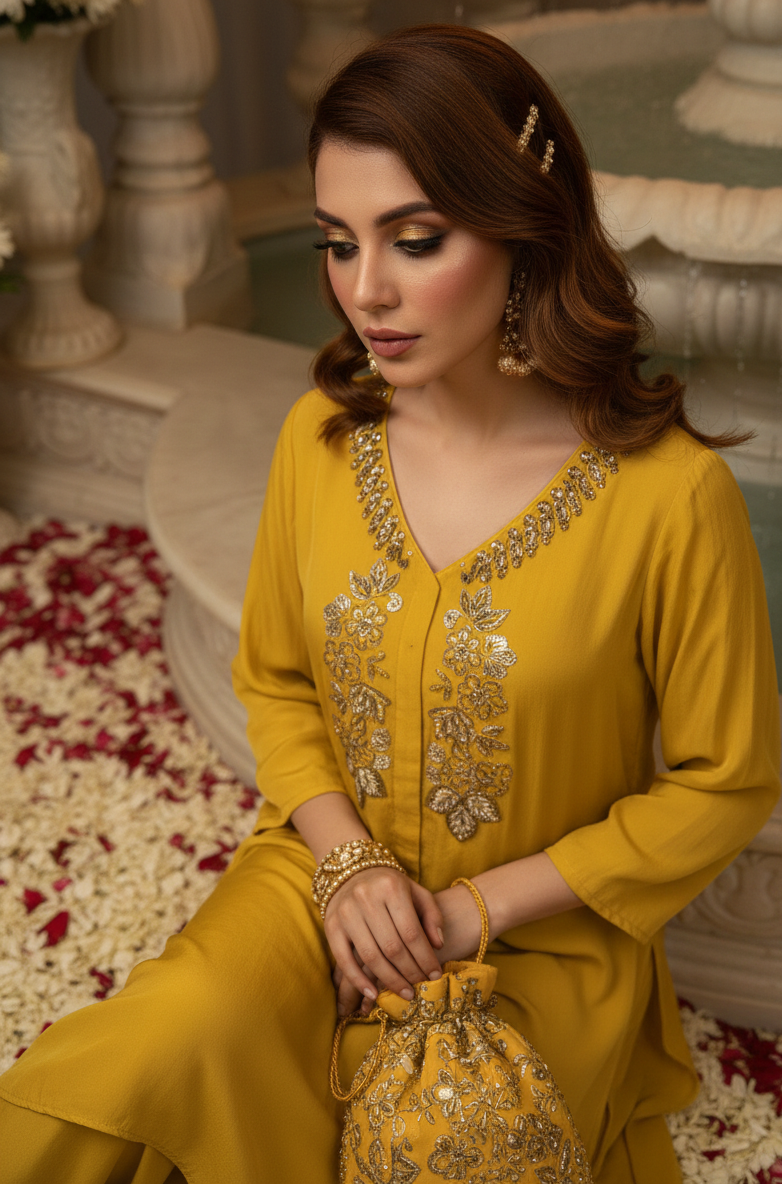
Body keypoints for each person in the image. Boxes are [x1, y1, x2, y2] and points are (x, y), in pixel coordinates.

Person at [0, 23, 779, 1184]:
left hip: (540, 936)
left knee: (438, 1147)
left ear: (524, 226)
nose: (365, 290)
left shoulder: (668, 497)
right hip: (317, 880)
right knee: (148, 1052)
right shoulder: (321, 444)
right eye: (334, 241)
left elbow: (723, 780)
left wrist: (471, 910)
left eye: (415, 240)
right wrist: (347, 863)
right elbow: (270, 677)